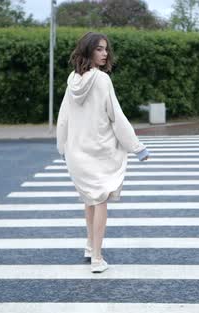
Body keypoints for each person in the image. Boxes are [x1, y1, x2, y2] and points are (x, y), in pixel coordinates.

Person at [56, 32, 150, 273]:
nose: (105, 53)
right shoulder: (101, 80)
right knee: (100, 201)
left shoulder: (72, 79)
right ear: (88, 51)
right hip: (99, 151)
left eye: (106, 49)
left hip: (77, 152)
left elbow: (63, 117)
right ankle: (97, 259)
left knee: (90, 199)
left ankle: (89, 247)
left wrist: (61, 146)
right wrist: (137, 147)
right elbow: (116, 116)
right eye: (99, 49)